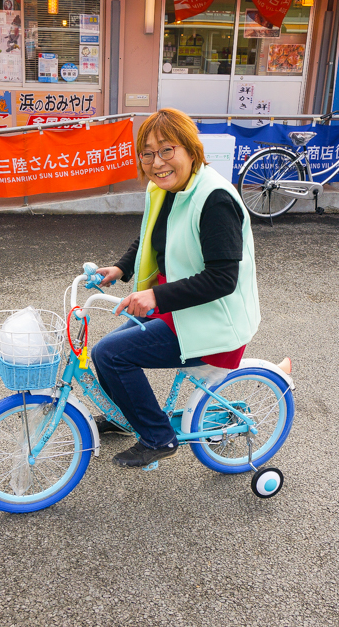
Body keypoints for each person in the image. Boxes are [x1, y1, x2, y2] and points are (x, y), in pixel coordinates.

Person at [90, 108, 260, 469]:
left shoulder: (215, 199)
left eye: (167, 150)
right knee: (107, 352)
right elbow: (151, 236)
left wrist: (154, 295)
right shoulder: (166, 188)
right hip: (179, 308)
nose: (157, 162)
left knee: (111, 354)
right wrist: (121, 267)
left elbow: (222, 279)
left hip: (213, 319)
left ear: (190, 149)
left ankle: (158, 437)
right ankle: (128, 418)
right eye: (148, 153)